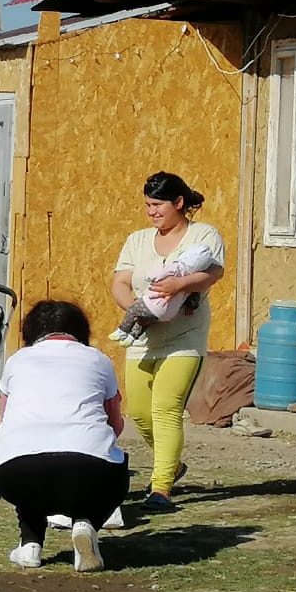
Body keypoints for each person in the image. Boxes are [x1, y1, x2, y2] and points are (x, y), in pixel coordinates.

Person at [109, 171, 225, 512]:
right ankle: (171, 464)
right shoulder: (138, 240)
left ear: (179, 203)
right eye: (147, 205)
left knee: (166, 408)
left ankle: (160, 488)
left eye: (158, 205)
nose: (152, 212)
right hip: (144, 334)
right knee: (141, 413)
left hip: (185, 336)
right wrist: (135, 309)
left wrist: (180, 286)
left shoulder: (203, 234)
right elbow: (120, 281)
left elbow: (214, 272)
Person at [0, 299, 127, 573]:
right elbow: (115, 423)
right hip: (90, 467)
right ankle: (86, 522)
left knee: (30, 468)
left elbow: (4, 419)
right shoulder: (99, 360)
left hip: (12, 472)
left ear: (31, 332)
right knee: (110, 468)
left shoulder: (16, 361)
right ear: (80, 331)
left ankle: (30, 545)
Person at [108, 243, 217, 347]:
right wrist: (190, 308)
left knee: (133, 310)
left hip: (154, 304)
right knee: (144, 321)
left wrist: (149, 277)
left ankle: (123, 330)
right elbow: (193, 298)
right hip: (169, 313)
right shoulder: (191, 280)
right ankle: (132, 337)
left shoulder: (175, 268)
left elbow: (156, 274)